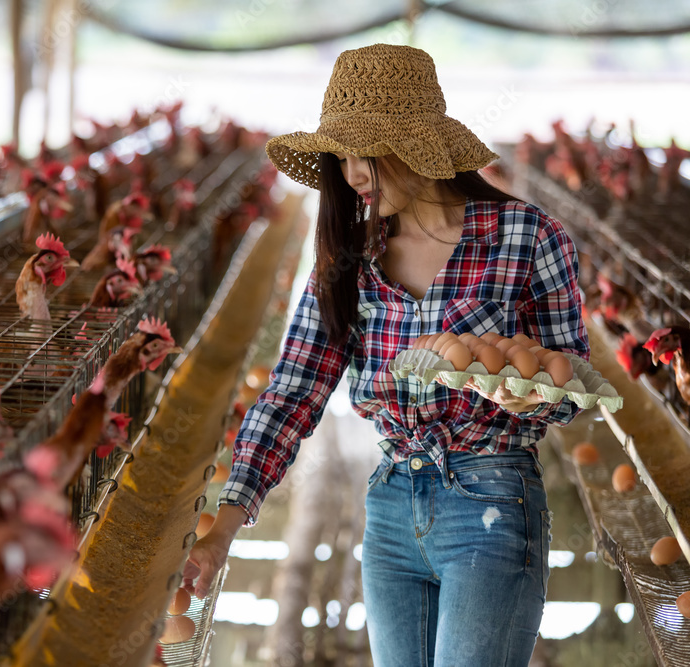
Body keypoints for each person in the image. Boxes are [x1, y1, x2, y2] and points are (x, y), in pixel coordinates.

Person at [182, 44, 589, 666]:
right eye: (340, 154)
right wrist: (223, 530)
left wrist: (527, 395)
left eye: (362, 150)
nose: (351, 172)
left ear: (415, 146)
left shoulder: (529, 237)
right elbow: (294, 389)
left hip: (491, 501)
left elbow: (568, 380)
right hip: (393, 504)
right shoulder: (352, 256)